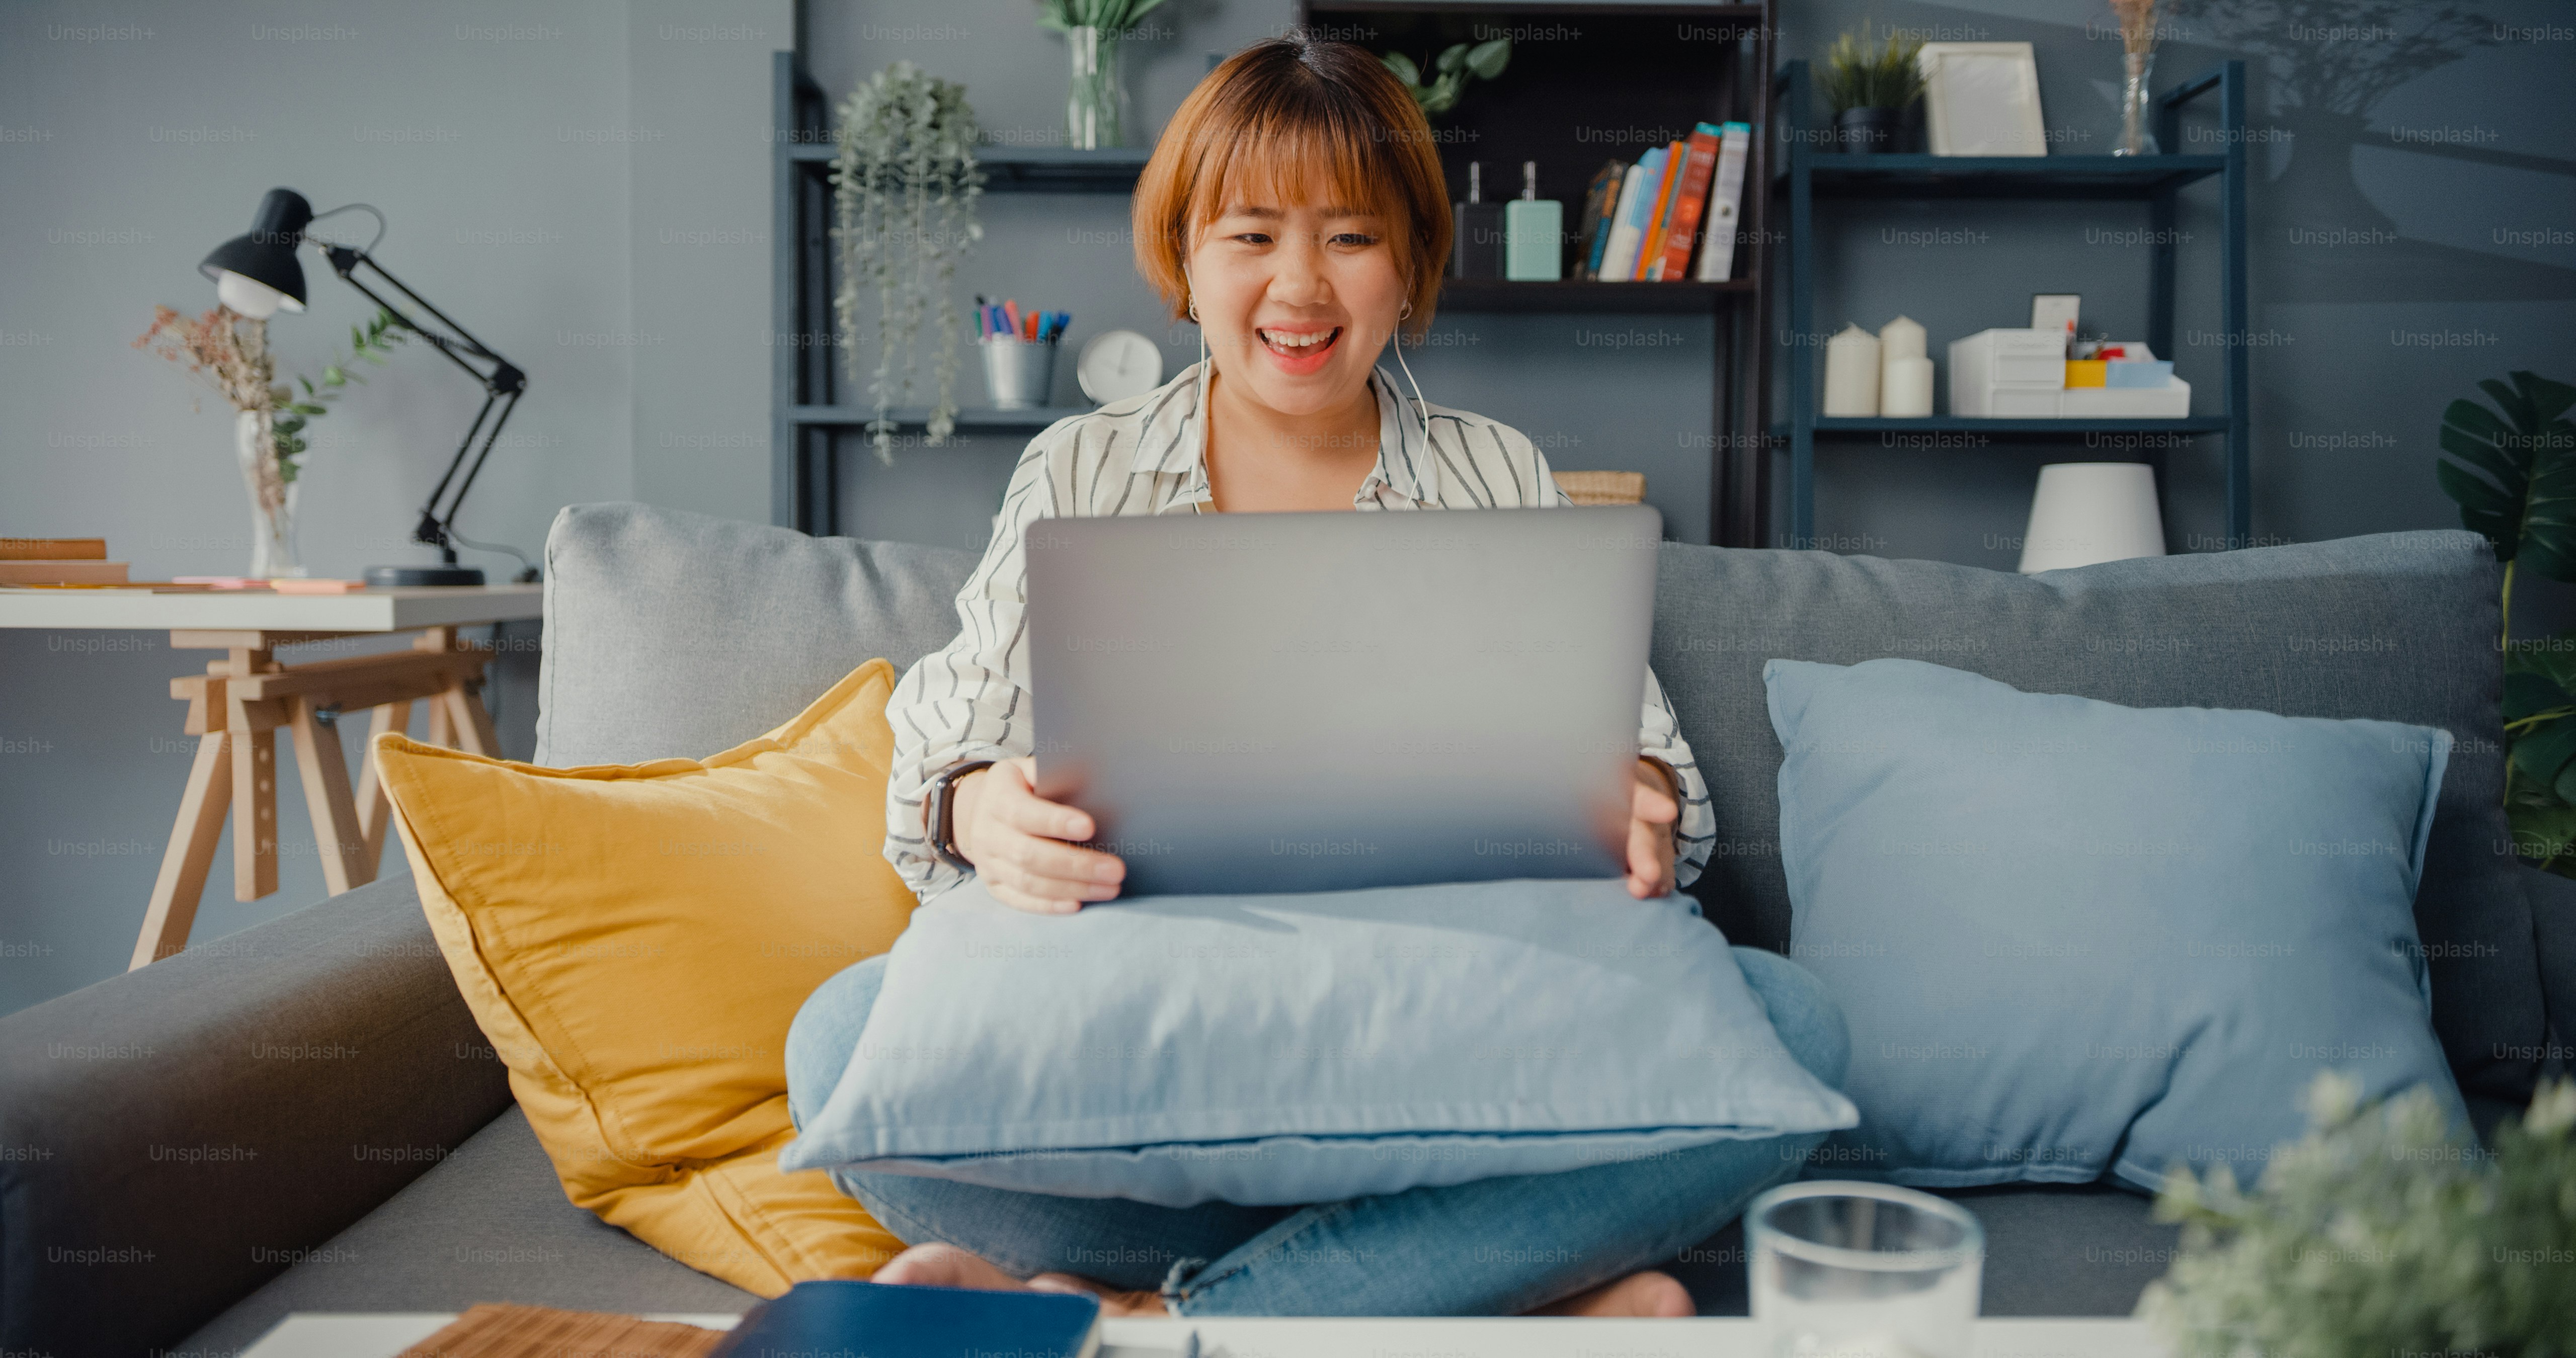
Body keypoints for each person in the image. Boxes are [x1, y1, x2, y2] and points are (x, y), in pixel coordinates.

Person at [785, 35, 1845, 1319]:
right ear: (1184, 256)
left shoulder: (1496, 469)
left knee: (1793, 1027)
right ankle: (1444, 1289)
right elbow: (933, 765)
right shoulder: (1082, 467)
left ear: (1410, 269)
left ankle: (1159, 1319)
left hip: (1436, 1022)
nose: (1300, 286)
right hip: (1152, 1021)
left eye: (1350, 237)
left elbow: (1654, 785)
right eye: (1249, 235)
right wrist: (975, 809)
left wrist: (1635, 801)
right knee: (839, 1041)